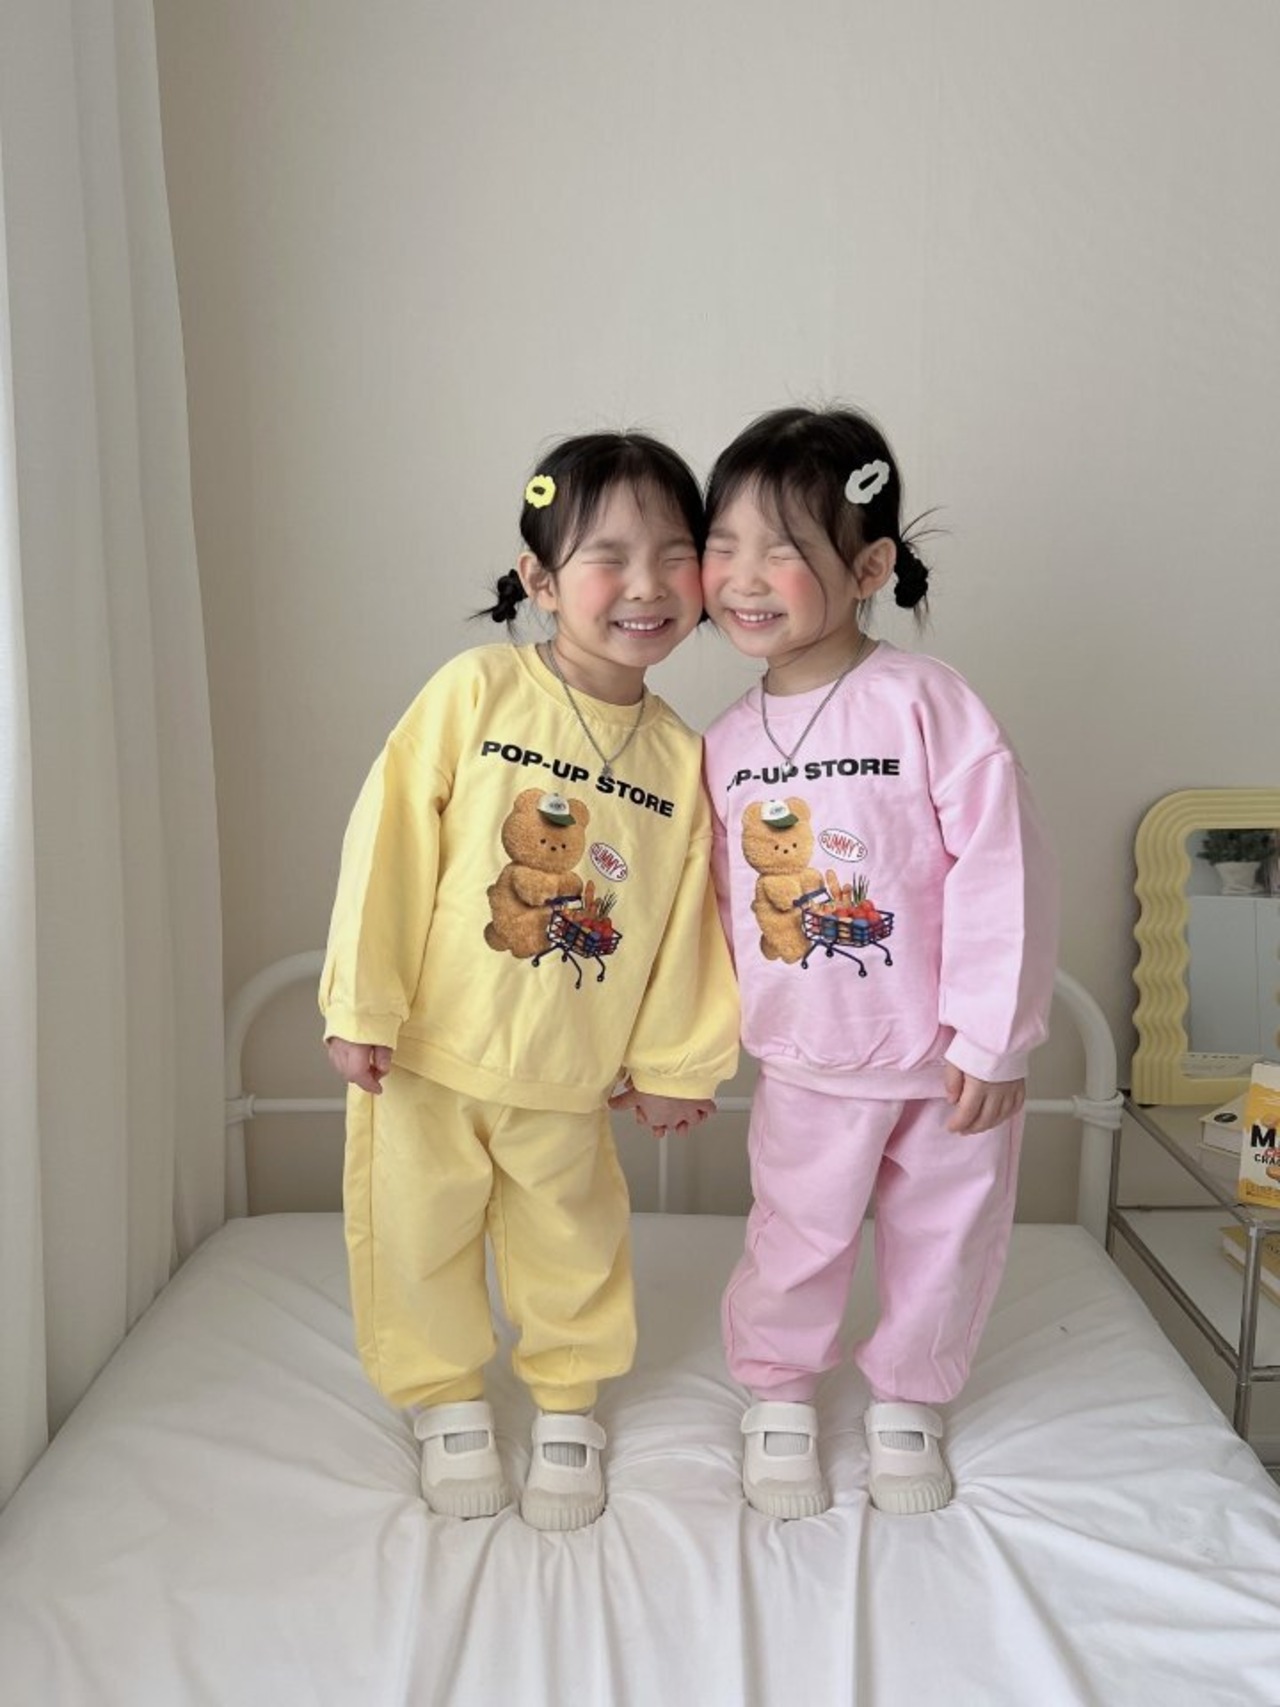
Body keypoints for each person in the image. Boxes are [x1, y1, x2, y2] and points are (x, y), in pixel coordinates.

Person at [320, 431, 739, 1530]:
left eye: (674, 554)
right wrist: (360, 1002)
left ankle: (567, 1401)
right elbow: (388, 845)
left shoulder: (684, 758)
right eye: (609, 557)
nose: (646, 585)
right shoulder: (476, 690)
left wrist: (676, 1061)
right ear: (540, 579)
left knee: (574, 1242)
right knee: (416, 1232)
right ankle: (447, 1397)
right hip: (425, 1055)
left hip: (568, 1069)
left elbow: (689, 924)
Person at [700, 405, 1058, 1518]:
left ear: (867, 568)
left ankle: (908, 1394)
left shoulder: (927, 702)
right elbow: (706, 911)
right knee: (795, 1232)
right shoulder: (720, 743)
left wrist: (995, 1036)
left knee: (943, 1236)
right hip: (806, 1054)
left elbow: (1000, 865)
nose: (742, 577)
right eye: (721, 544)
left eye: (781, 550)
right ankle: (777, 1391)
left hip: (946, 1060)